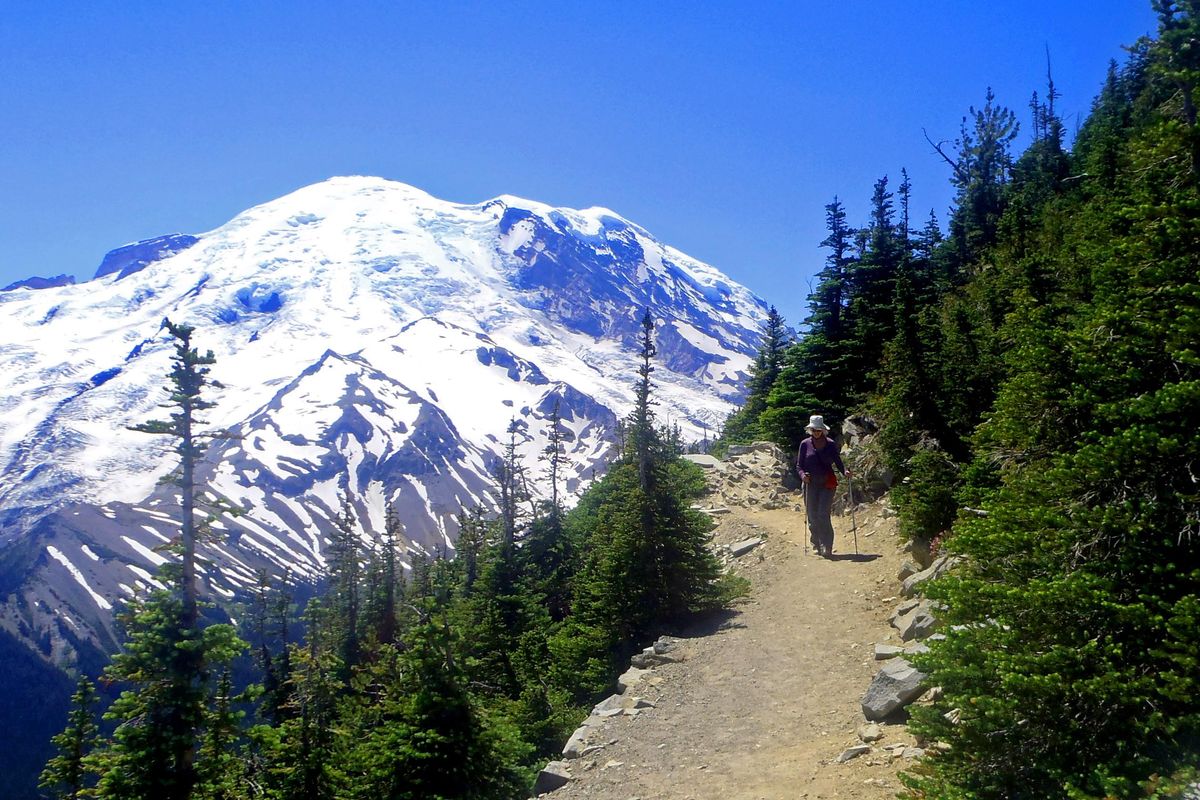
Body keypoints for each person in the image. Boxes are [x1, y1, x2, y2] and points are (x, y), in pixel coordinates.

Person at [796, 415, 849, 558]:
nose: (816, 432)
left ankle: (827, 545)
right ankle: (816, 543)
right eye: (814, 430)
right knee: (812, 515)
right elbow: (799, 466)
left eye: (819, 430)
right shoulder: (804, 444)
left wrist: (845, 471)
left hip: (827, 483)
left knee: (822, 514)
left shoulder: (830, 444)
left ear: (823, 430)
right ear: (810, 430)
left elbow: (838, 462)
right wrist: (802, 476)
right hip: (810, 483)